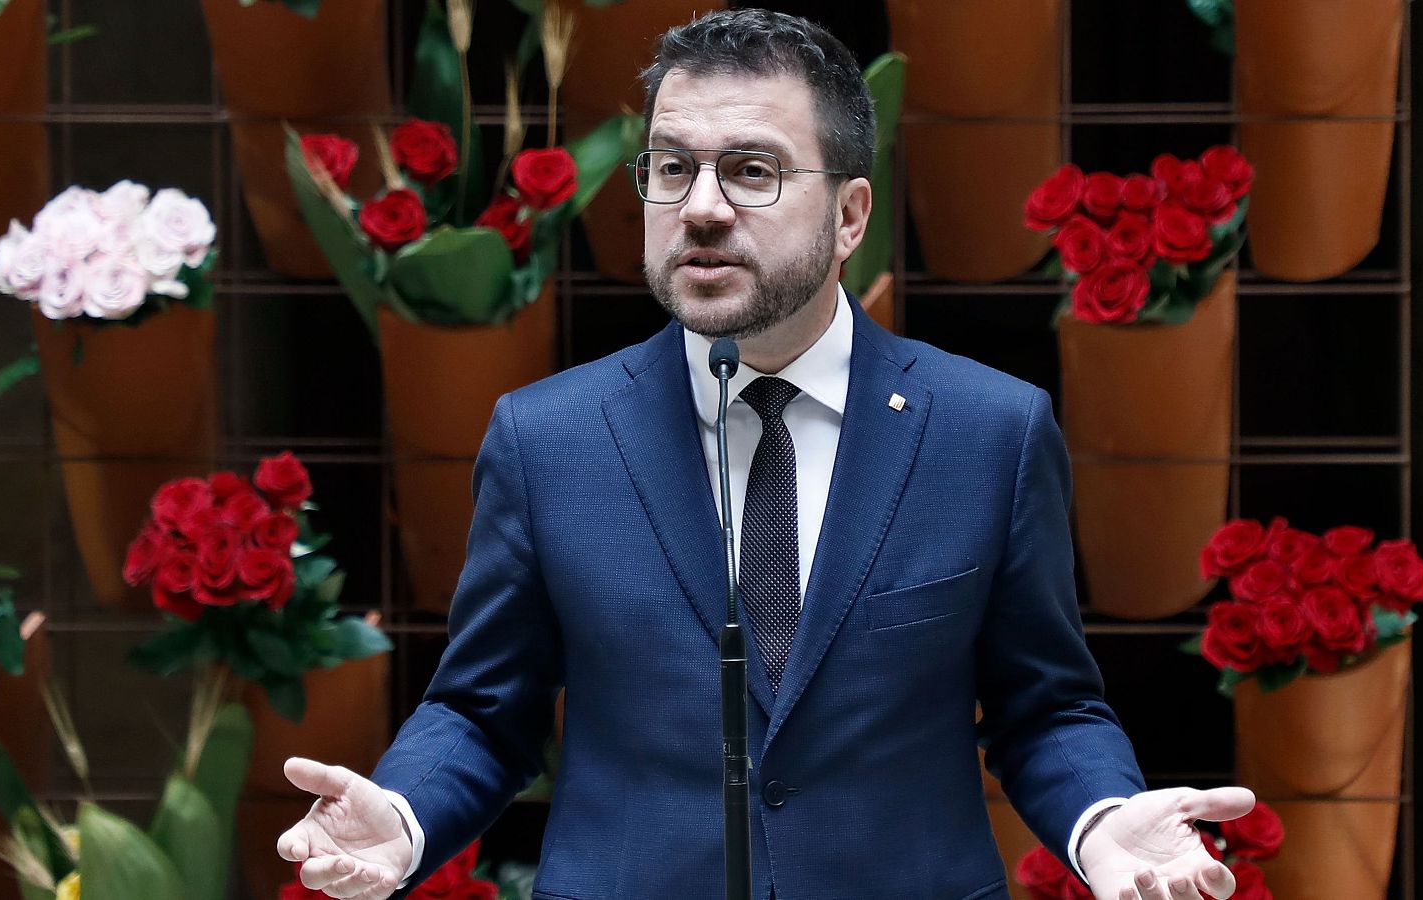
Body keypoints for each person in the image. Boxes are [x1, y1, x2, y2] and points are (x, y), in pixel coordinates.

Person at [277, 10, 1255, 900]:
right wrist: (403, 816)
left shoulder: (987, 431)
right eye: (670, 168)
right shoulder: (549, 439)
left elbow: (1042, 707)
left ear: (850, 217)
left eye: (752, 171)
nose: (700, 207)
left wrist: (1100, 823)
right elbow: (486, 710)